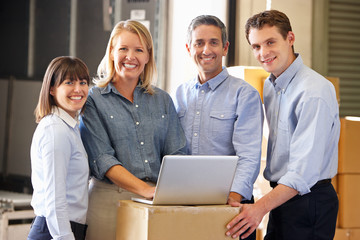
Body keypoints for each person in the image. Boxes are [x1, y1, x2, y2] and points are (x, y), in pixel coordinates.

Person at [226, 10, 340, 240]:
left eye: (270, 42)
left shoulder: (313, 91)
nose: (263, 53)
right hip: (282, 198)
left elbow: (303, 172)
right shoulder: (271, 86)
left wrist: (258, 209)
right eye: (256, 46)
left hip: (309, 201)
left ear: (290, 38)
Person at [79, 20, 187, 240]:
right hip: (109, 201)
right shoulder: (92, 100)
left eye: (139, 50)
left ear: (148, 56)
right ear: (111, 52)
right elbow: (103, 159)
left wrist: (165, 194)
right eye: (123, 49)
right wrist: (145, 189)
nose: (131, 56)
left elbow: (177, 153)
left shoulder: (163, 100)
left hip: (156, 201)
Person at [174, 15, 264, 240]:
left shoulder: (244, 94)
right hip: (186, 207)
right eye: (199, 43)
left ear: (225, 48)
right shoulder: (179, 94)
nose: (206, 49)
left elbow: (249, 157)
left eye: (213, 42)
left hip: (231, 210)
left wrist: (230, 201)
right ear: (189, 48)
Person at [28, 56, 90, 240]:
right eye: (69, 82)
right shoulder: (56, 130)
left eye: (83, 82)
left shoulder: (69, 127)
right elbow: (55, 198)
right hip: (56, 231)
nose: (78, 89)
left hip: (61, 229)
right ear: (52, 89)